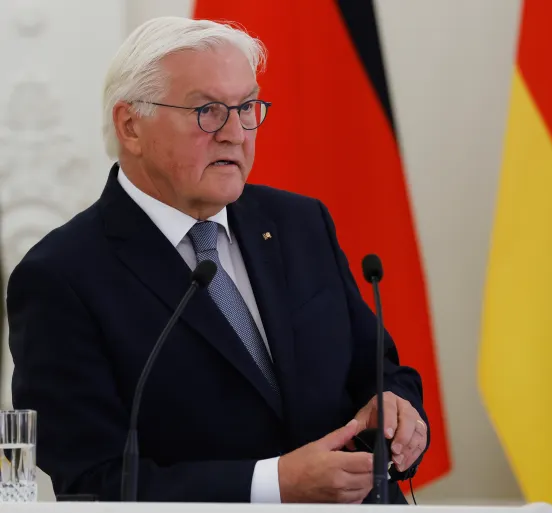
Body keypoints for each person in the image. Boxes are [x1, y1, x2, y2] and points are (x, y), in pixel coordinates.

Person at [6, 16, 428, 504]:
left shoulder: (300, 223)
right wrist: (275, 484)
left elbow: (378, 369)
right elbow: (93, 481)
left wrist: (397, 410)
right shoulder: (60, 277)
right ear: (130, 126)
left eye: (246, 107)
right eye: (207, 111)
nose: (235, 133)